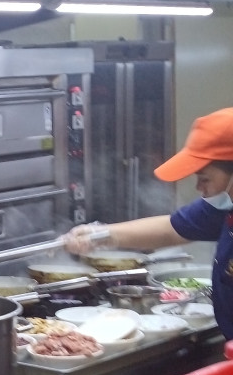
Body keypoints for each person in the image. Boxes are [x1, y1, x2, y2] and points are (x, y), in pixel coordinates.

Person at [64, 106, 233, 338]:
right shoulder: (223, 208)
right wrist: (99, 235)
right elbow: (171, 228)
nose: (199, 187)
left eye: (205, 179)